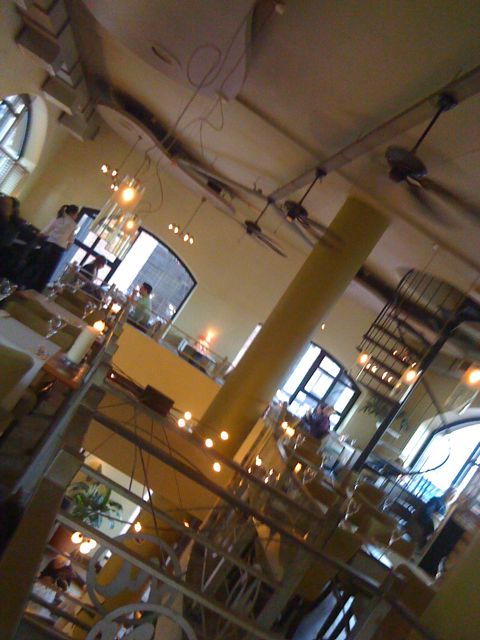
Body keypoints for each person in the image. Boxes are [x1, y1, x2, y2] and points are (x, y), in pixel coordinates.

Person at [23, 204, 79, 292]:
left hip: (48, 246)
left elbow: (46, 231)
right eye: (76, 214)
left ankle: (26, 287)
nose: (77, 216)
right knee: (47, 272)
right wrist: (67, 248)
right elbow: (70, 240)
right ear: (72, 213)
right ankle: (36, 291)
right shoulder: (73, 225)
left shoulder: (59, 218)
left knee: (38, 268)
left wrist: (37, 237)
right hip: (58, 250)